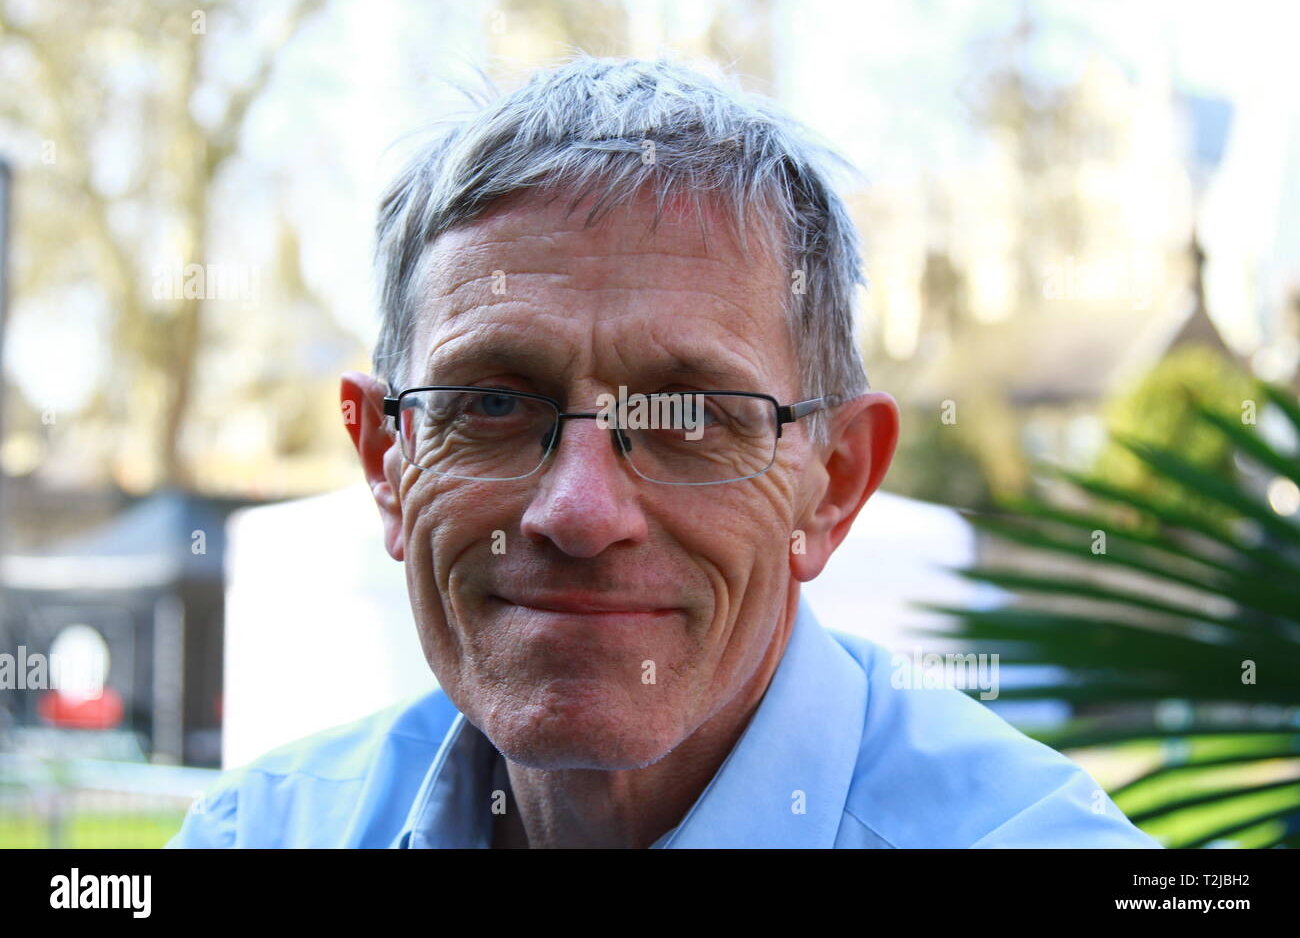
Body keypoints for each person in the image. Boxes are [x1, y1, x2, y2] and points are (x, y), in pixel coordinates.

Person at [169, 55, 1158, 849]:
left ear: (834, 484)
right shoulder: (257, 828)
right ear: (388, 458)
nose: (580, 510)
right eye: (495, 401)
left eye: (690, 415)